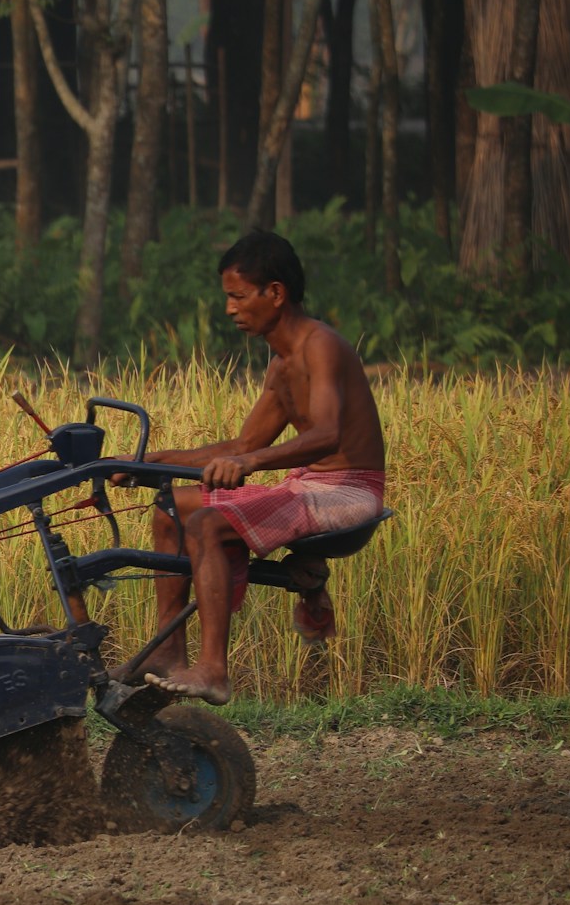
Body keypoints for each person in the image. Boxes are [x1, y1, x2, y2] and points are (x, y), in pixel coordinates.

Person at [117, 230, 387, 705]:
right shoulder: (282, 365)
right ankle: (167, 650)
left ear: (276, 293)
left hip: (346, 491)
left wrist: (248, 463)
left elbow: (326, 436)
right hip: (306, 487)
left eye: (238, 296)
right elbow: (246, 441)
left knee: (205, 524)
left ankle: (214, 670)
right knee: (170, 508)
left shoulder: (320, 346)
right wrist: (152, 461)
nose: (230, 309)